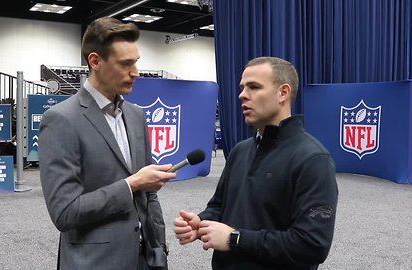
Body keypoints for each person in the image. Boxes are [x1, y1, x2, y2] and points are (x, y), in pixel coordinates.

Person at [174, 57, 338, 270]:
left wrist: (235, 239)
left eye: (254, 87)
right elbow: (219, 206)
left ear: (283, 93)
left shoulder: (313, 159)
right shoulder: (240, 151)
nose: (242, 95)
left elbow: (312, 245)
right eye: (242, 87)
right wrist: (201, 221)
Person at [39, 17, 176, 270]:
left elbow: (149, 196)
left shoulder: (136, 115)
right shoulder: (60, 119)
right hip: (94, 263)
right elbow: (64, 212)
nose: (135, 72)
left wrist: (158, 248)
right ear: (95, 61)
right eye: (125, 64)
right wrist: (131, 184)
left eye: (136, 62)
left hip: (144, 259)